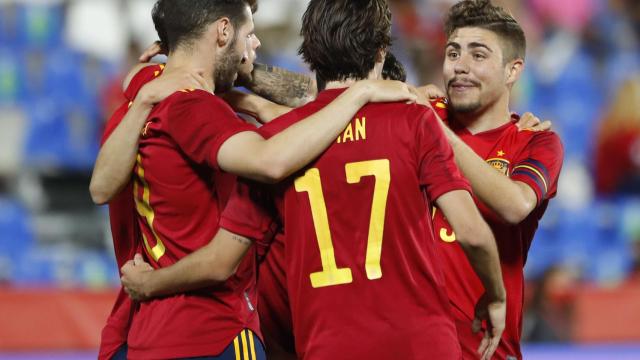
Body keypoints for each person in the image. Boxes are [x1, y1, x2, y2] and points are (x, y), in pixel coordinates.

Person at [121, 1, 507, 359]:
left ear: (309, 54)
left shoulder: (279, 141)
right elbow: (472, 233)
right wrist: (495, 296)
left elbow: (221, 260)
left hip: (329, 346)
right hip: (423, 344)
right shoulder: (415, 121)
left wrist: (150, 283)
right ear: (380, 54)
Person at [432, 1, 564, 359]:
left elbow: (515, 203)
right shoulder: (419, 115)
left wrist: (434, 132)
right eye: (453, 52)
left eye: (478, 55)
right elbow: (330, 93)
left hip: (487, 349)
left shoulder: (536, 141)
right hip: (413, 344)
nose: (459, 66)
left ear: (512, 70)